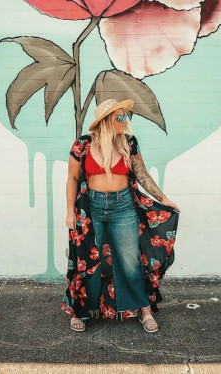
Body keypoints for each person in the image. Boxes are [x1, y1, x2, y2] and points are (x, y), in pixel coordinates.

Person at [64, 98, 180, 333]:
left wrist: (164, 198)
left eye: (124, 116)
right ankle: (81, 311)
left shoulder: (129, 143)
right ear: (106, 121)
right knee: (88, 260)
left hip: (123, 206)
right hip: (91, 207)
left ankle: (144, 308)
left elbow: (142, 175)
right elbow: (73, 179)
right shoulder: (83, 145)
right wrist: (69, 212)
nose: (124, 120)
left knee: (130, 261)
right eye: (119, 117)